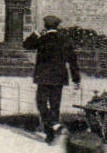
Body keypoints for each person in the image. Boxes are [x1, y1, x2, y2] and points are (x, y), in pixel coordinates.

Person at [24, 15, 82, 145]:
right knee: (55, 105)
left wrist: (36, 33)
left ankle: (51, 129)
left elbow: (26, 45)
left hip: (43, 77)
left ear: (45, 26)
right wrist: (76, 79)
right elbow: (73, 61)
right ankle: (53, 128)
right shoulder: (64, 40)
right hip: (59, 78)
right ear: (58, 26)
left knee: (41, 103)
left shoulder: (42, 39)